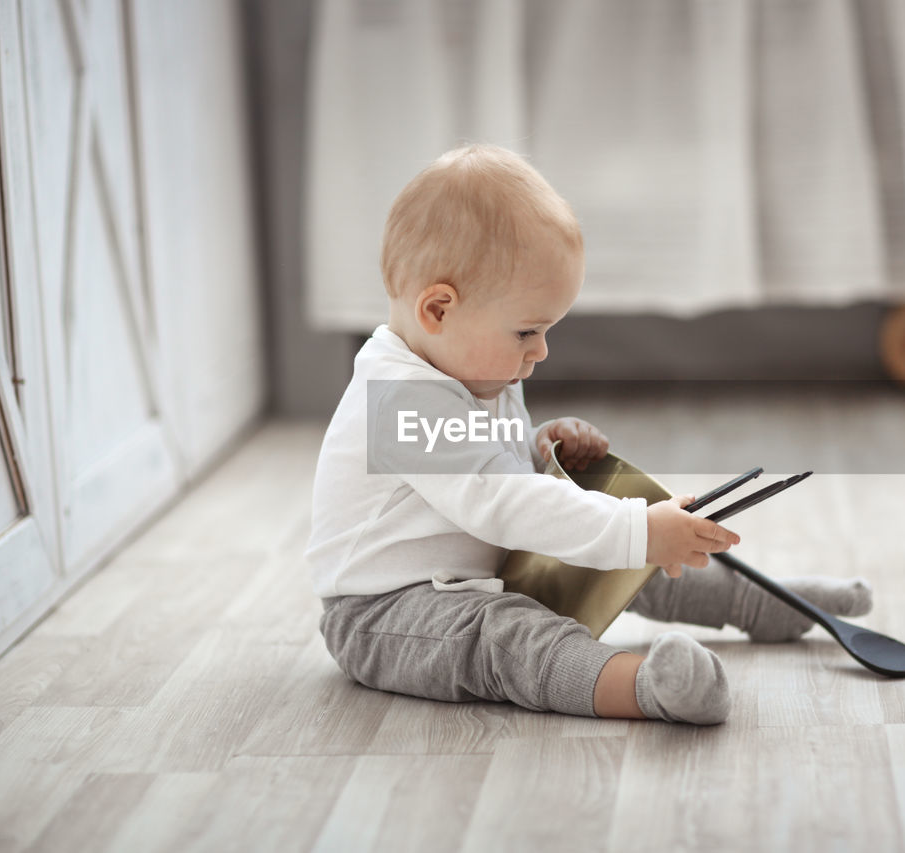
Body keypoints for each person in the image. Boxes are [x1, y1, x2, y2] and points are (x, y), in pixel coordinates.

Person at [306, 144, 872, 725]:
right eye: (528, 330)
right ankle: (647, 689)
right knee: (508, 635)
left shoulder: (465, 362)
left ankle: (770, 603)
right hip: (388, 612)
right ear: (439, 310)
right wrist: (635, 527)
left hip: (484, 566)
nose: (542, 350)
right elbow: (498, 500)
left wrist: (538, 448)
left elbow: (486, 468)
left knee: (617, 545)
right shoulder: (401, 402)